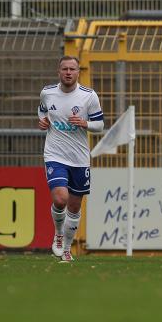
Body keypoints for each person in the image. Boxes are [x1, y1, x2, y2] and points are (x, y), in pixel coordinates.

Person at [37, 55, 105, 262]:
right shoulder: (47, 93)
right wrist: (42, 122)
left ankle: (67, 248)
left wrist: (85, 123)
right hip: (55, 154)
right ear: (59, 72)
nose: (68, 72)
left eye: (72, 69)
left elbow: (100, 125)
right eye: (65, 69)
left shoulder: (89, 96)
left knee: (74, 206)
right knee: (60, 198)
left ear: (78, 72)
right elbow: (42, 111)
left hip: (79, 158)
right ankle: (58, 235)